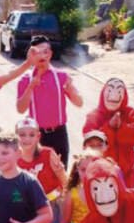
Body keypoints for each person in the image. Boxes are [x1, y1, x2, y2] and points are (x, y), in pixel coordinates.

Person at [16, 35, 84, 167]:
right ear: (31, 55)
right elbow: (20, 109)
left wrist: (70, 89)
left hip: (59, 133)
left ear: (51, 54)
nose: (42, 56)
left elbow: (79, 103)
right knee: (37, 175)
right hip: (36, 136)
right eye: (37, 52)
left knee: (60, 173)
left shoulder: (62, 76)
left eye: (45, 51)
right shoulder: (25, 79)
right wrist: (31, 87)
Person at [15, 117, 67, 223]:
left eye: (31, 135)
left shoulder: (47, 153)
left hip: (51, 202)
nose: (26, 139)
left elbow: (64, 181)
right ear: (15, 136)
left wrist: (59, 171)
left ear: (38, 136)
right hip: (27, 206)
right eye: (22, 134)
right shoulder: (13, 157)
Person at [82, 77, 134, 188]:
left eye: (119, 91)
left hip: (127, 173)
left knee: (128, 203)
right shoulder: (94, 116)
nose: (114, 94)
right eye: (110, 90)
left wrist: (121, 127)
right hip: (102, 176)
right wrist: (109, 128)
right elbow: (91, 142)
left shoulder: (130, 113)